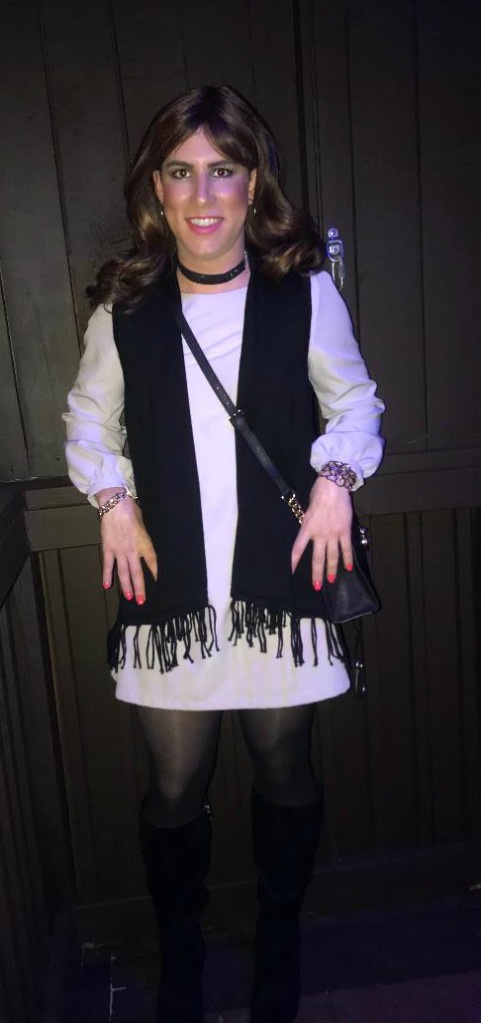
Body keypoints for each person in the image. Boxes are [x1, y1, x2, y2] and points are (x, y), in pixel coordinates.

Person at [64, 85, 384, 1023]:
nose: (202, 195)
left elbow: (354, 402)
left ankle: (279, 944)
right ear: (156, 189)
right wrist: (112, 499)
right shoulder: (124, 305)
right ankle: (183, 957)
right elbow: (88, 418)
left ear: (252, 184)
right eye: (181, 172)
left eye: (222, 171)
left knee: (283, 770)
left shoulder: (304, 292)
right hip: (170, 587)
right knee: (173, 788)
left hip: (277, 585)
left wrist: (335, 481)